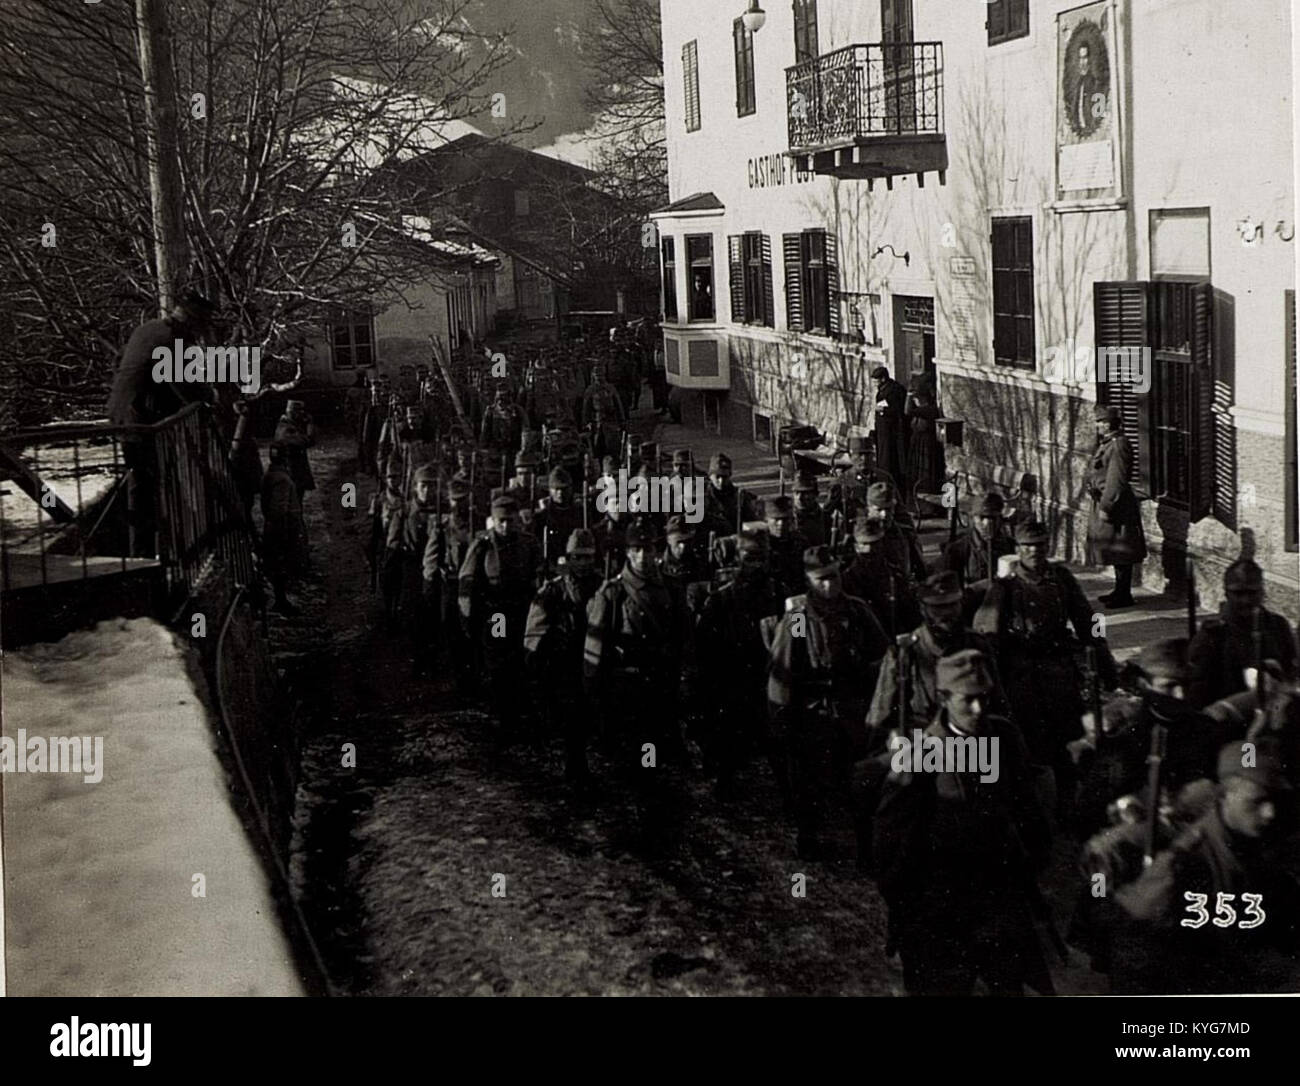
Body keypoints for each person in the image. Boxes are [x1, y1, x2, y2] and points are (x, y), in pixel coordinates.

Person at [872, 649, 1055, 996]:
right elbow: (890, 846)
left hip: (999, 899)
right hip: (939, 909)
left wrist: (1032, 862)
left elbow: (1029, 808)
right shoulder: (920, 754)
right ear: (943, 697)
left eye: (983, 698)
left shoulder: (1004, 737)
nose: (978, 709)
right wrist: (910, 910)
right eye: (967, 700)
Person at [1109, 740, 1300, 994]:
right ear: (1224, 796)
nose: (1269, 813)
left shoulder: (1262, 839)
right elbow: (1133, 951)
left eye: (1274, 799)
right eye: (1257, 801)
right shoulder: (1183, 864)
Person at [974, 518, 1117, 822]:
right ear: (1018, 549)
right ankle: (1028, 810)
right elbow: (987, 638)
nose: (1034, 551)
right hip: (1020, 674)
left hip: (1058, 672)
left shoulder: (1062, 578)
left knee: (1070, 739)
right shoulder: (1005, 587)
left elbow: (1089, 622)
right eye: (1027, 546)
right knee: (1026, 744)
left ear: (1048, 546)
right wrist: (989, 685)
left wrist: (1107, 665)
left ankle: (1068, 805)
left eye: (1039, 545)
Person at [767, 546, 890, 859]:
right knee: (810, 783)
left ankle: (865, 846)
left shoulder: (858, 611)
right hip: (813, 712)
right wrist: (782, 717)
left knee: (860, 782)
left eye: (833, 577)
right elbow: (784, 667)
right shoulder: (798, 618)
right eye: (820, 579)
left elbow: (884, 655)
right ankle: (809, 839)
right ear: (808, 580)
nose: (828, 585)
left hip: (853, 709)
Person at [106, 290, 219, 556]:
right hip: (143, 422)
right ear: (193, 321)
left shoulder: (148, 329)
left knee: (144, 484)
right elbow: (187, 386)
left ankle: (152, 553)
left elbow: (118, 362)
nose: (201, 334)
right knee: (148, 489)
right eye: (202, 326)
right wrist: (211, 395)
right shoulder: (174, 339)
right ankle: (148, 558)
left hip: (125, 415)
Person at [694, 530, 784, 798]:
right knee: (730, 733)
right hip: (734, 674)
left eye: (761, 557)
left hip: (771, 673)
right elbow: (704, 642)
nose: (756, 564)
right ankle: (725, 779)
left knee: (777, 738)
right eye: (749, 557)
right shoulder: (722, 598)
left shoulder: (780, 593)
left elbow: (797, 630)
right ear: (739, 557)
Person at [458, 494, 541, 736]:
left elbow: (538, 571)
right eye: (501, 521)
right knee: (498, 660)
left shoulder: (529, 543)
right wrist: (467, 618)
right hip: (496, 613)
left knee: (520, 658)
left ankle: (519, 711)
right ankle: (503, 714)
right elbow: (467, 583)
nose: (506, 526)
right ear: (492, 521)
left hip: (523, 610)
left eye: (511, 520)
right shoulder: (482, 545)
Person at [525, 528, 603, 788]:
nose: (583, 563)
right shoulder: (554, 591)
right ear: (568, 558)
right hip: (565, 664)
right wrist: (539, 661)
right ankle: (576, 768)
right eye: (577, 557)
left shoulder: (603, 587)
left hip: (594, 661)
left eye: (588, 557)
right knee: (573, 718)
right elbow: (534, 631)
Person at [1188, 559, 1298, 709]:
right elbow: (1198, 694)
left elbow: (1291, 673)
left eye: (1252, 592)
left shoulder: (1278, 626)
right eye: (1238, 593)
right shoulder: (1212, 635)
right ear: (1226, 593)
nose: (1246, 600)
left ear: (1262, 592)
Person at [1087, 404, 1147, 609]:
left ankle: (1124, 594)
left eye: (1102, 422)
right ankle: (1119, 590)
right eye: (1098, 422)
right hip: (1107, 500)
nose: (1098, 426)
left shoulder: (1119, 445)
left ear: (1111, 423)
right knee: (1114, 549)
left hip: (1117, 505)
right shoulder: (1108, 443)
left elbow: (1116, 480)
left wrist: (1106, 506)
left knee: (1122, 550)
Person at [842, 514, 922, 638]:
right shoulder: (847, 580)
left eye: (874, 544)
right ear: (855, 546)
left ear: (882, 544)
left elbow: (909, 612)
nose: (869, 550)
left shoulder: (894, 574)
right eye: (864, 544)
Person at [260, 443, 304, 615]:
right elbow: (279, 510)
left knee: (278, 565)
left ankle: (281, 599)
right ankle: (281, 601)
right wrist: (285, 534)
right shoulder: (282, 479)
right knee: (281, 565)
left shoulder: (271, 475)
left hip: (275, 527)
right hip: (282, 529)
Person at [701, 452, 760, 539]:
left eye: (724, 477)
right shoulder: (701, 495)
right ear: (710, 476)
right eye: (717, 477)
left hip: (735, 541)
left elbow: (751, 523)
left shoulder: (741, 496)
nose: (721, 481)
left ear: (730, 475)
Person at [904, 375, 943, 498]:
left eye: (917, 398)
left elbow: (907, 410)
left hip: (926, 443)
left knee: (925, 475)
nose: (915, 401)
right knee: (916, 475)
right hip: (918, 442)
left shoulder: (929, 410)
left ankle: (927, 504)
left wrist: (909, 395)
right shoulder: (922, 410)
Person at [762, 495, 807, 600]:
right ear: (766, 520)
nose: (781, 524)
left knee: (798, 616)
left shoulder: (800, 542)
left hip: (795, 599)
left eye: (785, 519)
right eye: (776, 519)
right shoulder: (760, 546)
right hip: (769, 601)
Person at [871, 365, 907, 489]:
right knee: (884, 459)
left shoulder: (895, 390)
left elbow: (898, 410)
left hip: (891, 432)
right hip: (883, 431)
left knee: (890, 460)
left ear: (883, 379)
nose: (875, 384)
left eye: (876, 381)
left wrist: (883, 410)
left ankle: (891, 484)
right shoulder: (883, 389)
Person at [792, 473, 829, 547]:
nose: (799, 498)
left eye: (805, 493)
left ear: (816, 494)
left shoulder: (825, 518)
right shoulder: (789, 519)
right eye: (796, 493)